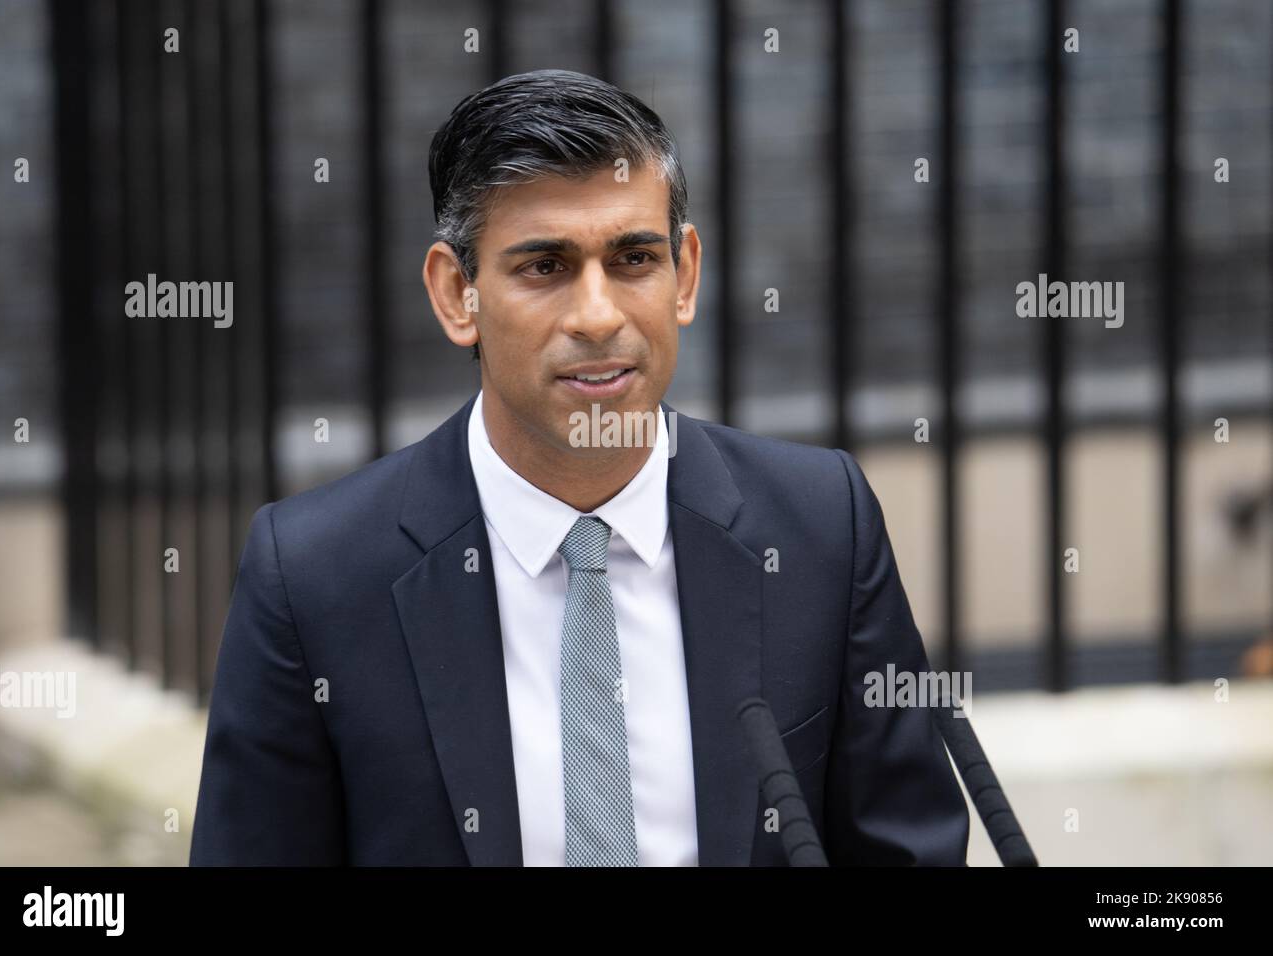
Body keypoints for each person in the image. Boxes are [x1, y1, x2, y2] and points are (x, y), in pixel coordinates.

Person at [189, 69, 968, 866]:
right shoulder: (314, 574)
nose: (598, 315)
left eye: (633, 258)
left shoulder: (820, 526)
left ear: (685, 274)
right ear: (457, 294)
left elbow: (907, 846)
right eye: (545, 267)